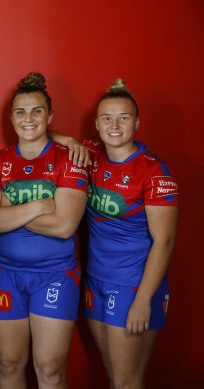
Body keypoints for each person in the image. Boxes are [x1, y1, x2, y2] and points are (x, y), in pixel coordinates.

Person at [60, 79, 178, 389]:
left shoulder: (154, 171)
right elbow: (49, 136)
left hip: (133, 285)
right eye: (106, 118)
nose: (115, 125)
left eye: (123, 117)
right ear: (96, 124)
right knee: (115, 377)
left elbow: (164, 242)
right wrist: (72, 142)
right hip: (96, 281)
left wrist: (142, 300)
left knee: (127, 381)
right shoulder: (93, 155)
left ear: (137, 122)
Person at [0, 72, 88, 389]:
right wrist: (39, 206)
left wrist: (6, 212)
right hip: (5, 274)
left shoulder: (71, 159)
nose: (29, 119)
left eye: (37, 110)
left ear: (50, 116)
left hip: (56, 274)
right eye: (21, 111)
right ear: (11, 117)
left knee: (50, 370)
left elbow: (65, 225)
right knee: (9, 364)